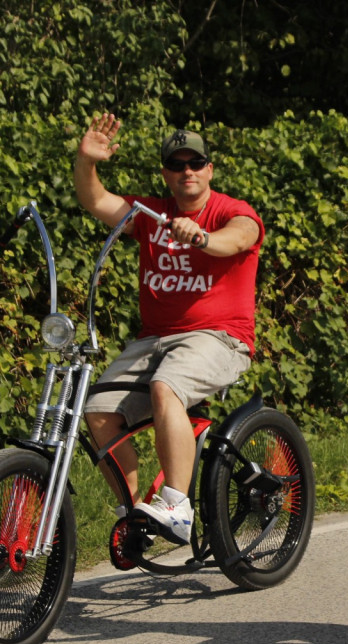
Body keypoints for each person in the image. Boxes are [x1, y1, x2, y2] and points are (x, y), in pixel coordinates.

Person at [74, 114, 264, 545]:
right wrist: (86, 161)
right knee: (98, 411)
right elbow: (95, 199)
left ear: (209, 169)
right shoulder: (151, 214)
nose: (187, 172)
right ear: (166, 174)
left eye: (195, 163)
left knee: (166, 387)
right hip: (154, 339)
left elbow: (235, 239)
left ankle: (177, 506)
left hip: (219, 337)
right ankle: (137, 513)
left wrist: (200, 237)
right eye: (177, 166)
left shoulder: (232, 211)